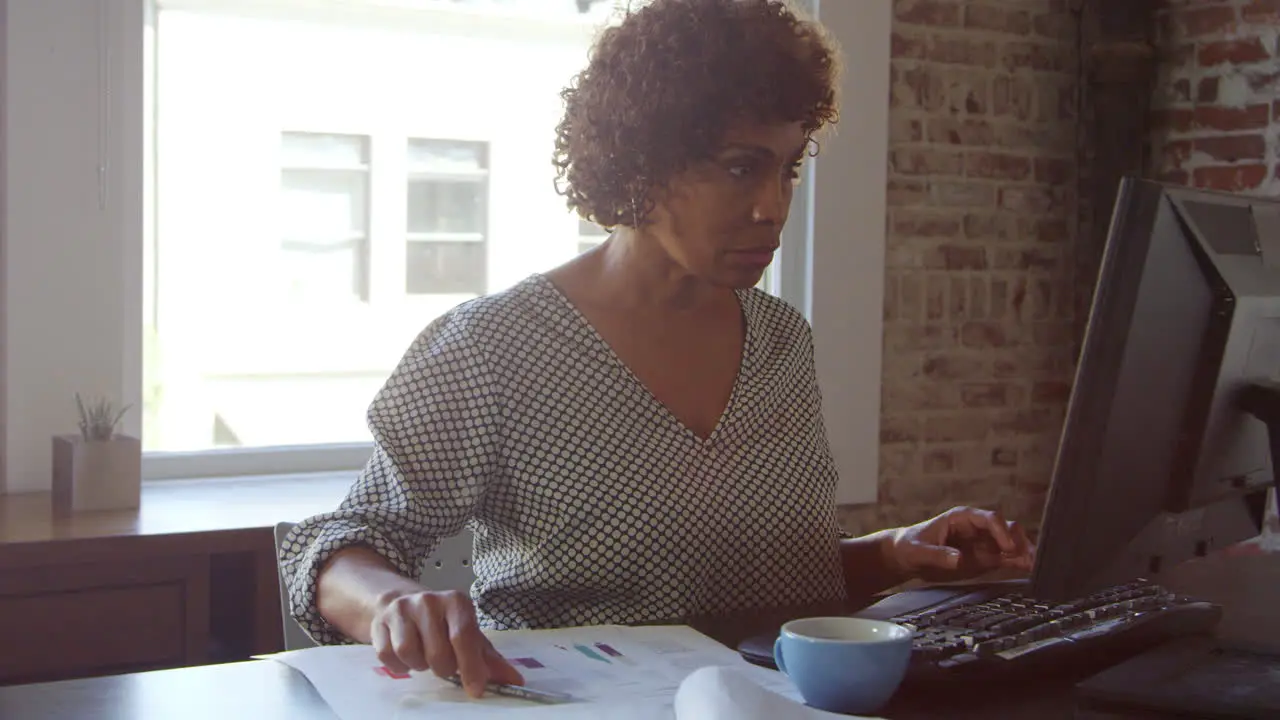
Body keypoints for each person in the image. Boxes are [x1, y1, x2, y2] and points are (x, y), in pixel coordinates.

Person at [279, 0, 1034, 700]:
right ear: (640, 163)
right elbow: (337, 547)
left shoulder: (779, 342)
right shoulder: (495, 348)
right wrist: (393, 598)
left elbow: (764, 582)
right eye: (740, 167)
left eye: (789, 166)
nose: (773, 206)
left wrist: (900, 552)